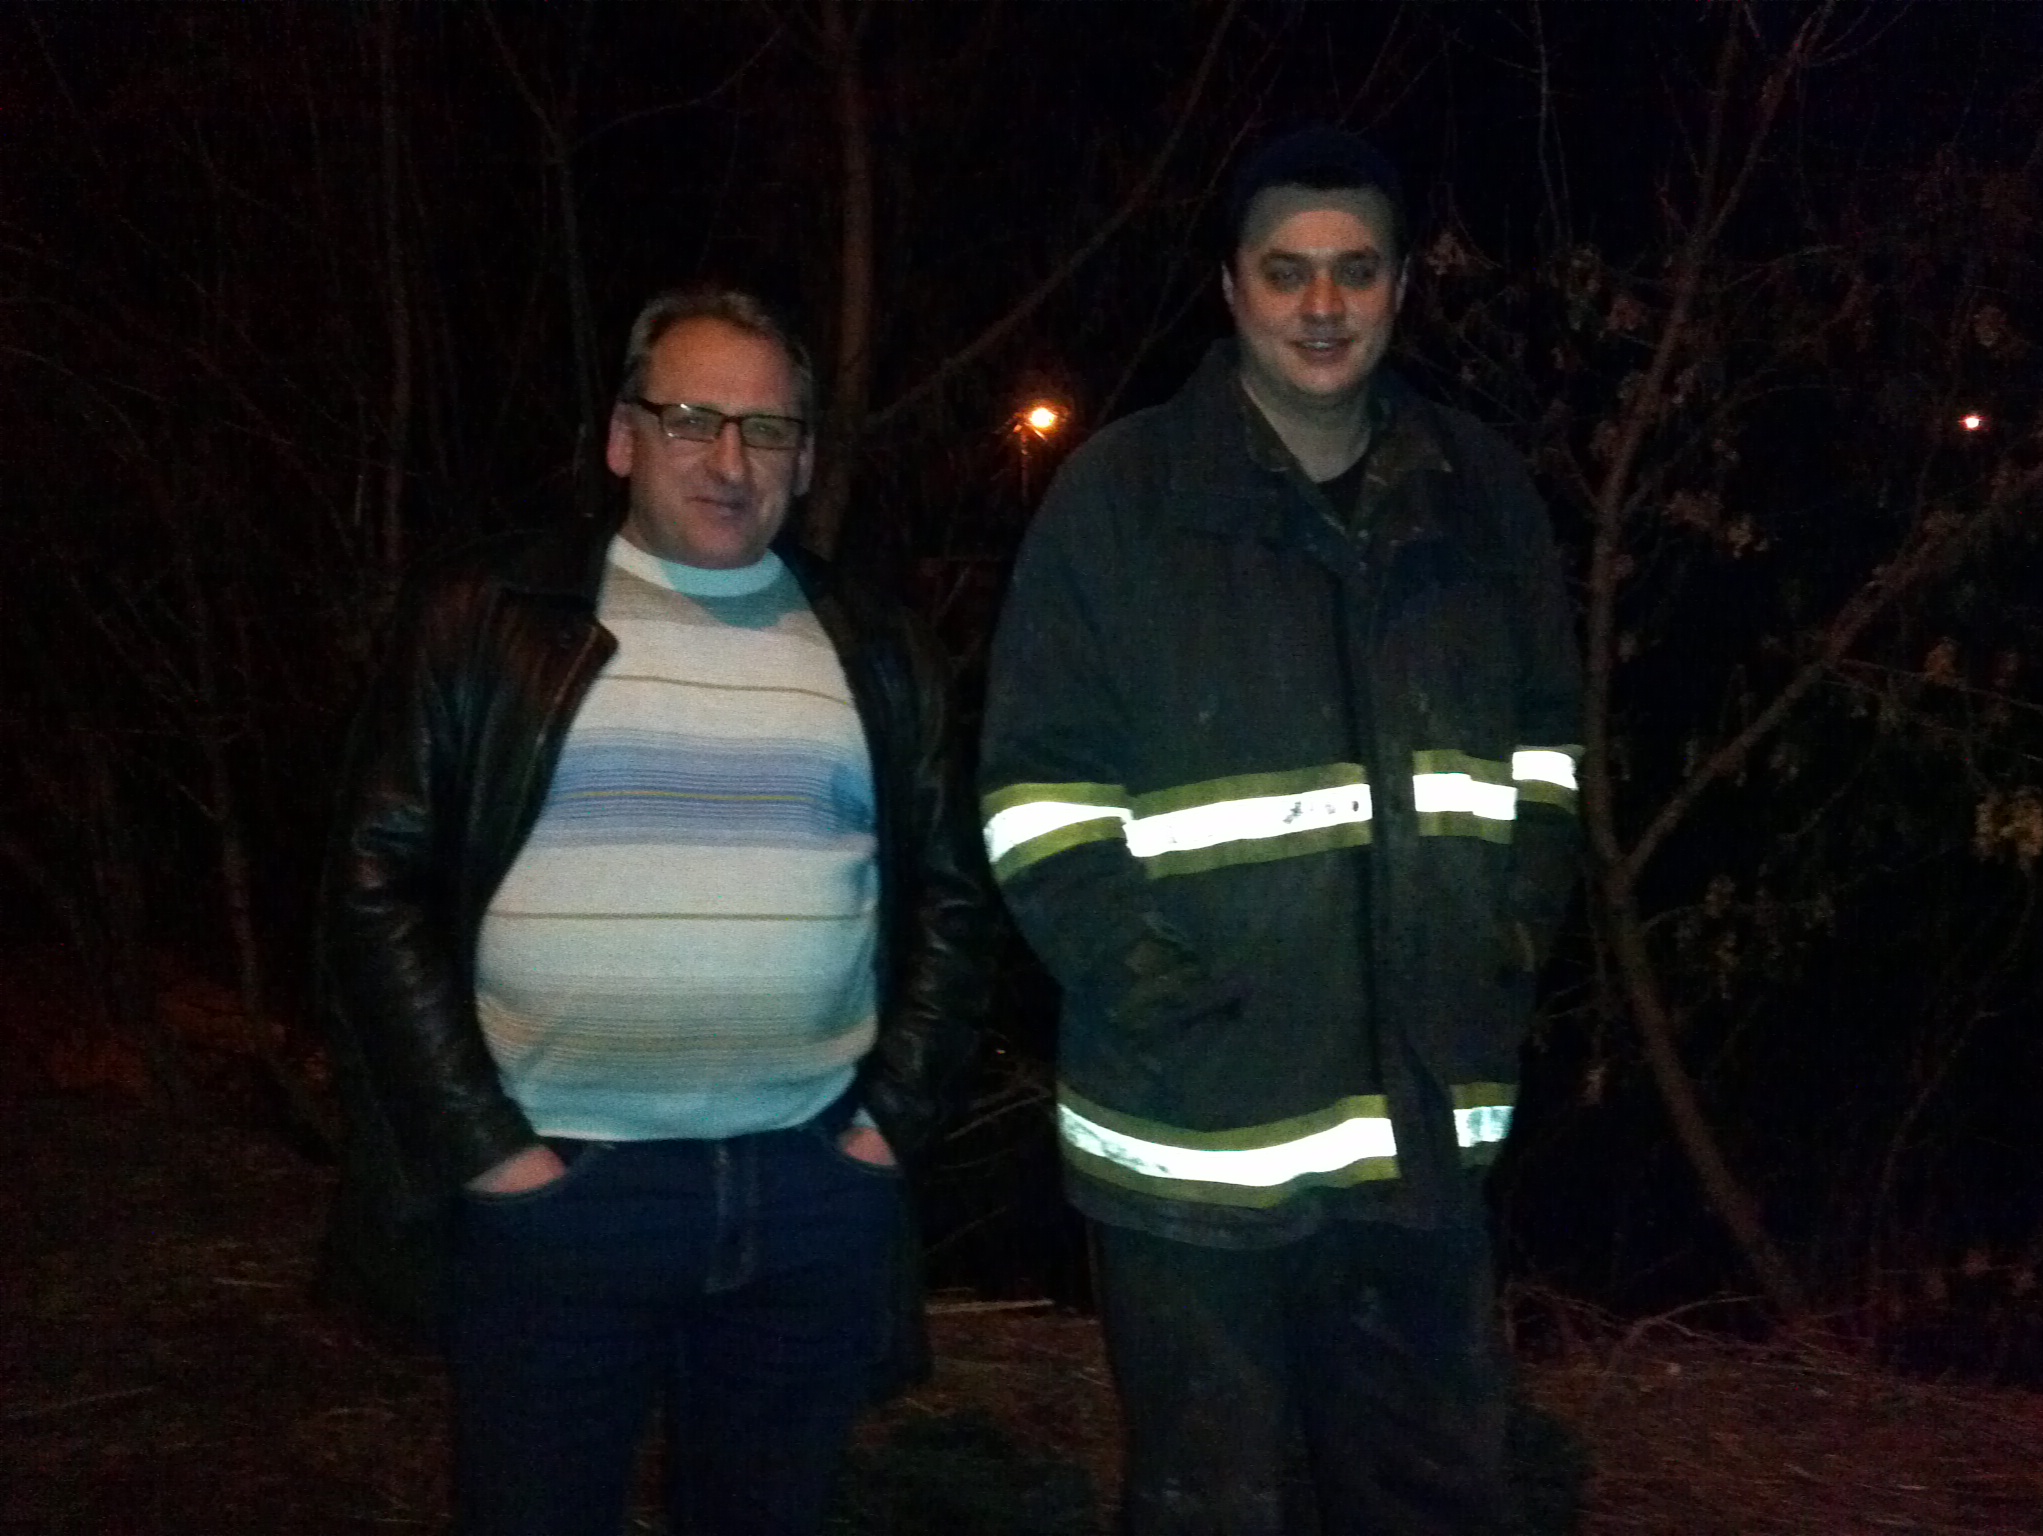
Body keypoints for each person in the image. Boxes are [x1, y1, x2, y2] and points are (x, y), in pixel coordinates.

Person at [979, 129, 1582, 1534]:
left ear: (1402, 287)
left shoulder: (1480, 493)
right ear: (1231, 288)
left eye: (1355, 271)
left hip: (1424, 1130)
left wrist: (1510, 930)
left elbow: (1549, 748)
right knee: (1214, 1505)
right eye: (1286, 270)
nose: (1322, 305)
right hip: (1194, 1138)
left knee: (1434, 1496)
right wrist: (1148, 982)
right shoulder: (1120, 499)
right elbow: (1036, 787)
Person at [318, 286, 990, 1536]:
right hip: (563, 1192)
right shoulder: (491, 621)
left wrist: (884, 1130)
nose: (730, 461)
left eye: (767, 429)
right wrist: (488, 1150)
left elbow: (956, 899)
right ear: (623, 437)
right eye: (692, 420)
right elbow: (373, 886)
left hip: (805, 1189)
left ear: (804, 458)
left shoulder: (874, 647)